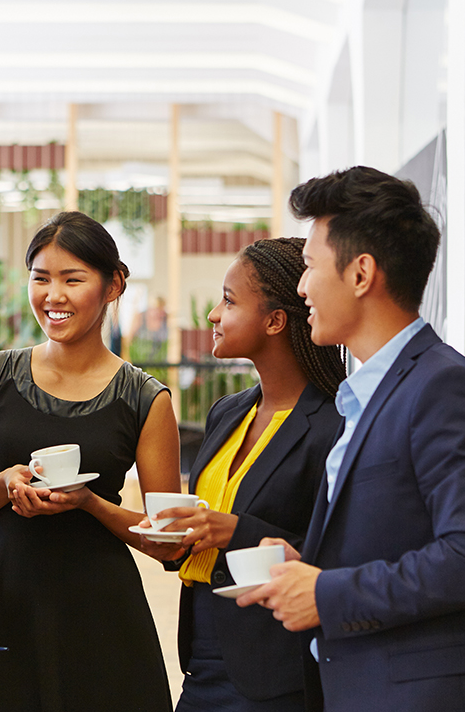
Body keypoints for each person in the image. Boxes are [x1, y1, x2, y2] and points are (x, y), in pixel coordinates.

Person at [238, 167, 465, 711]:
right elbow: (398, 538)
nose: (301, 287)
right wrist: (309, 563)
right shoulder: (370, 394)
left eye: (309, 267)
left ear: (361, 274)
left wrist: (326, 594)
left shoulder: (444, 389)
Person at [0, 211, 180, 712]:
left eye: (73, 280)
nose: (53, 296)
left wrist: (89, 503)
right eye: (41, 278)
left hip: (103, 613)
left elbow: (168, 544)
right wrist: (1, 486)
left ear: (113, 285)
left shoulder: (145, 399)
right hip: (6, 603)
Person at [146, 237, 346, 711]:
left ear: (275, 321)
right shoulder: (227, 412)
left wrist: (235, 531)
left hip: (277, 668)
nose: (213, 314)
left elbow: (341, 552)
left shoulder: (336, 423)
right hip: (201, 657)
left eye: (229, 301)